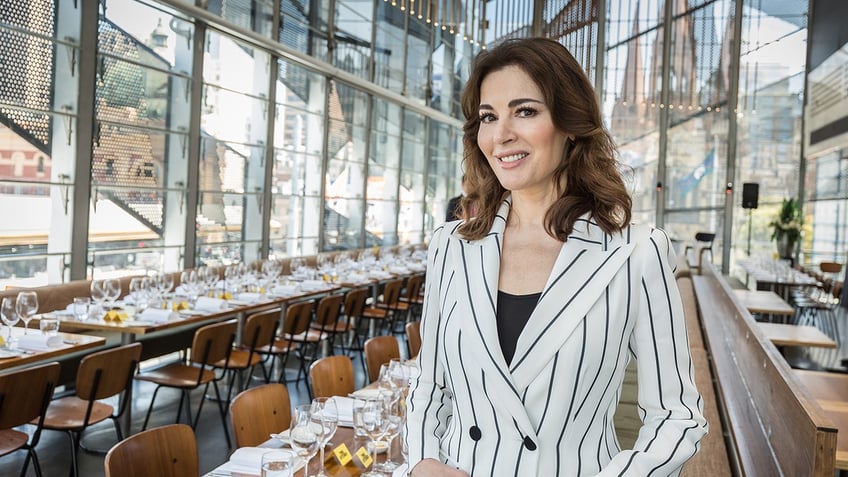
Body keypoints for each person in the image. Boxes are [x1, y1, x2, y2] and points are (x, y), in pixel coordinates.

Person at [406, 38, 707, 477]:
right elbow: (428, 386)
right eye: (488, 117)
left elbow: (677, 417)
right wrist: (422, 463)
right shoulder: (451, 246)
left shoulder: (636, 253)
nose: (501, 133)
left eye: (525, 111)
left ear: (570, 124)